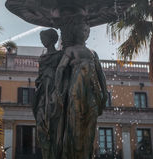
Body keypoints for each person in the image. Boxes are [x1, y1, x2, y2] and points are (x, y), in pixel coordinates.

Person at [53, 21, 108, 159]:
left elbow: (100, 73)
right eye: (82, 30)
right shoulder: (70, 50)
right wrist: (58, 89)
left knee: (90, 128)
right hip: (76, 90)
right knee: (75, 126)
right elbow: (60, 69)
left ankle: (86, 154)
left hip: (92, 92)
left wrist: (105, 92)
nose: (84, 33)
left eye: (86, 31)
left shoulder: (93, 53)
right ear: (76, 32)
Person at [32, 29, 62, 159]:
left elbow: (63, 74)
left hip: (54, 90)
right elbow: (39, 76)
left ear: (52, 39)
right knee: (40, 119)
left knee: (53, 119)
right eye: (41, 38)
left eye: (44, 38)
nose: (42, 41)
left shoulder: (60, 56)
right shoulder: (42, 58)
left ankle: (55, 150)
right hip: (42, 91)